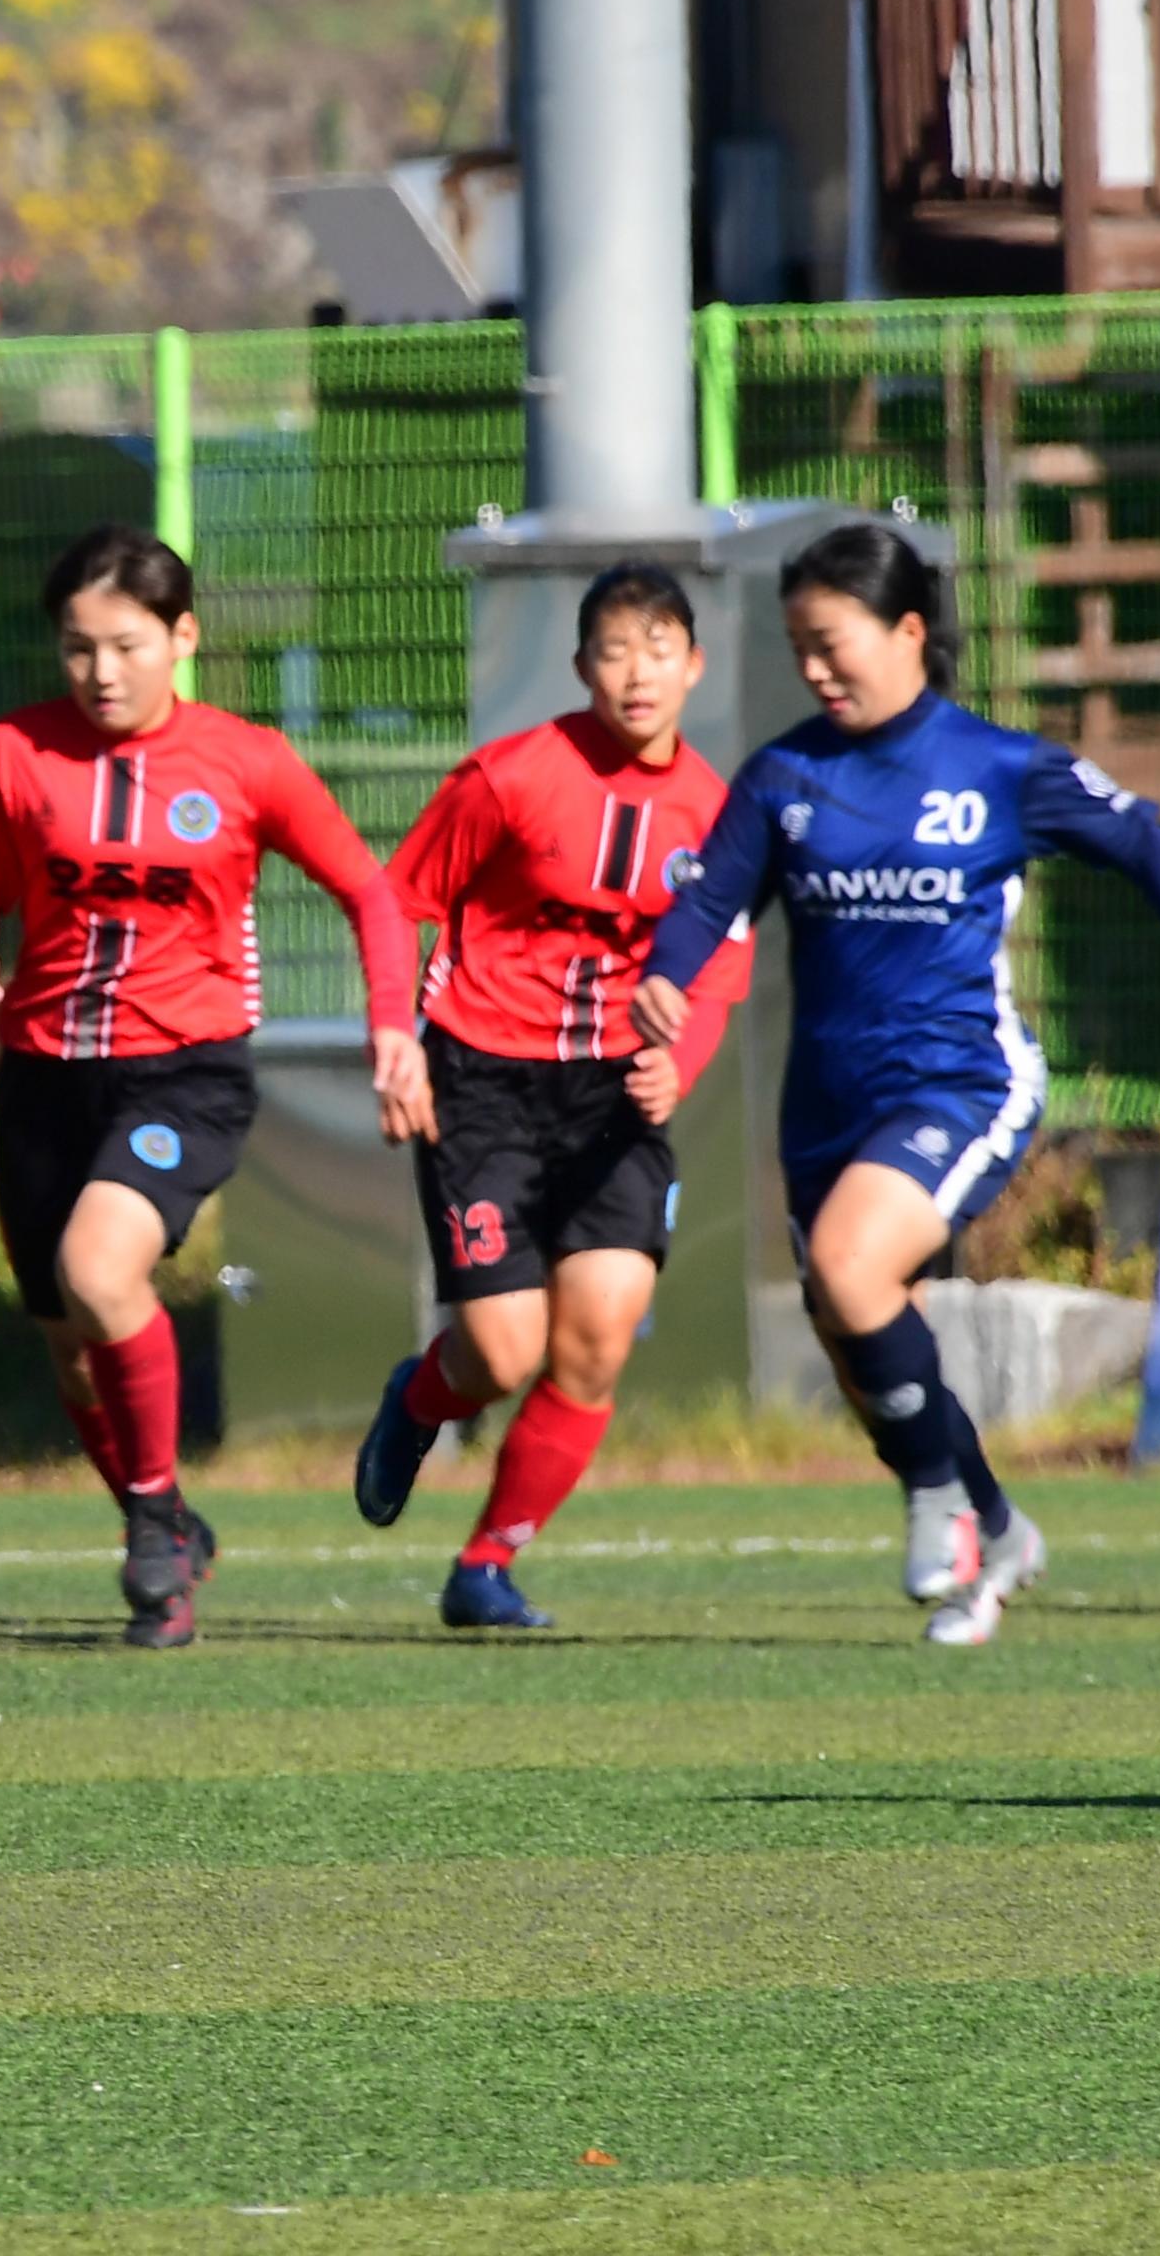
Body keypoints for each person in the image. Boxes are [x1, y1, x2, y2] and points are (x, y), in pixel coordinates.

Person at [635, 523, 1160, 1645]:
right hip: (826, 1098)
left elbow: (1146, 847)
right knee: (862, 1331)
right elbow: (704, 903)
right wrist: (666, 982)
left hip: (959, 1079)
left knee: (848, 1263)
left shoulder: (998, 767)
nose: (816, 669)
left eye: (833, 642)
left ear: (910, 630)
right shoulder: (785, 776)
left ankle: (938, 1503)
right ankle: (994, 1520)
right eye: (798, 647)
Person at [0, 524, 425, 1647]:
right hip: (48, 1075)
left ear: (184, 636)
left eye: (125, 644)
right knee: (69, 1339)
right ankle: (161, 1519)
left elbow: (372, 890)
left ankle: (154, 1527)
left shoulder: (246, 761)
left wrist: (392, 1026)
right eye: (76, 648)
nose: (101, 671)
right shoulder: (16, 752)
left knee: (98, 1269)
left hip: (186, 1075)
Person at [350, 561, 757, 1629]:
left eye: (658, 649)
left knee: (599, 1333)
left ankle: (487, 1562)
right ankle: (421, 1396)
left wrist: (685, 1058)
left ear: (693, 664)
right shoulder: (510, 777)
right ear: (582, 667)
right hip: (481, 1077)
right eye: (614, 651)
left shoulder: (717, 816)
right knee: (504, 1349)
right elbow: (398, 902)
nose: (637, 672)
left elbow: (715, 974)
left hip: (613, 1098)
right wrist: (394, 1032)